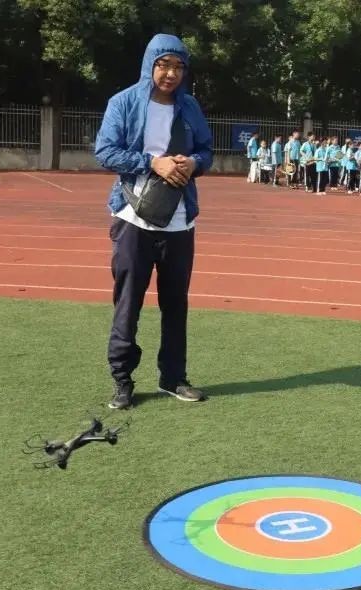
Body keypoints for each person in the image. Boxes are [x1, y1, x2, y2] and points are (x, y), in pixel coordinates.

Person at [94, 33, 213, 410]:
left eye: (178, 66)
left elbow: (207, 151)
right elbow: (105, 151)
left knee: (175, 303)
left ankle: (173, 378)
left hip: (179, 221)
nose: (171, 73)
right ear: (150, 65)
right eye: (164, 64)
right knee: (128, 302)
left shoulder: (190, 107)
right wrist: (152, 162)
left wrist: (194, 163)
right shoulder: (125, 102)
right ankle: (122, 380)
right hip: (134, 219)